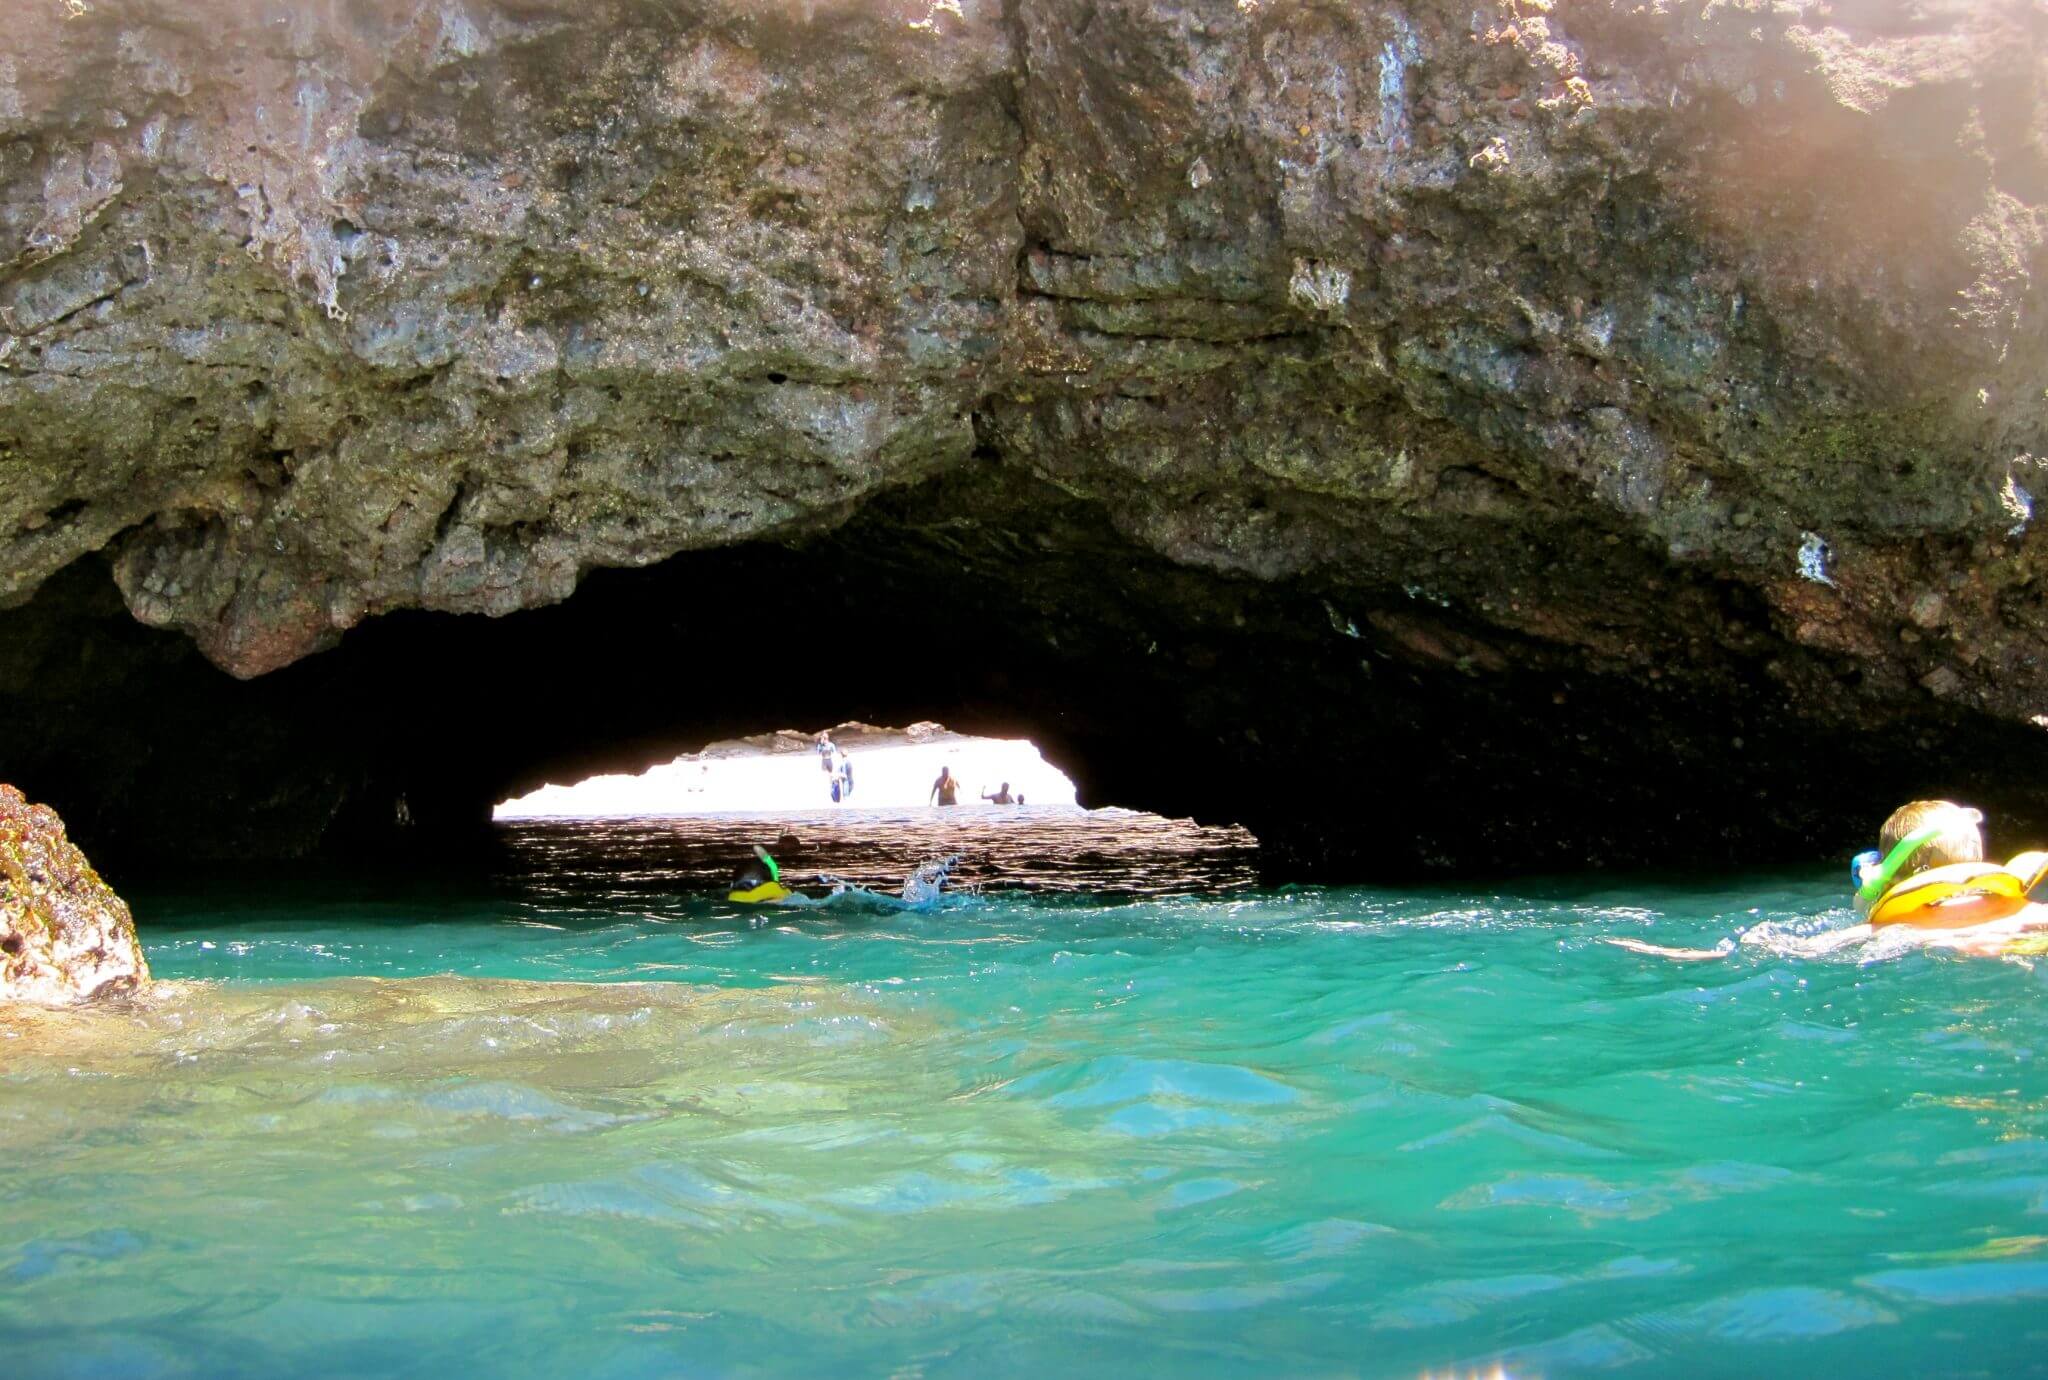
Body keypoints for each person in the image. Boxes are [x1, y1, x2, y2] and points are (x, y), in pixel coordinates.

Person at [1609, 800, 2048, 961]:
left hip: (1940, 954)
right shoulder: (2025, 909)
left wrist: (1699, 953)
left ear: (1884, 871)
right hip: (2021, 939)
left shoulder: (1887, 927)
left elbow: (1787, 950)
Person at [729, 833, 802, 902]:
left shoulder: (733, 894)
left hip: (737, 895)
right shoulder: (773, 870)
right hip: (768, 892)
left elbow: (756, 848)